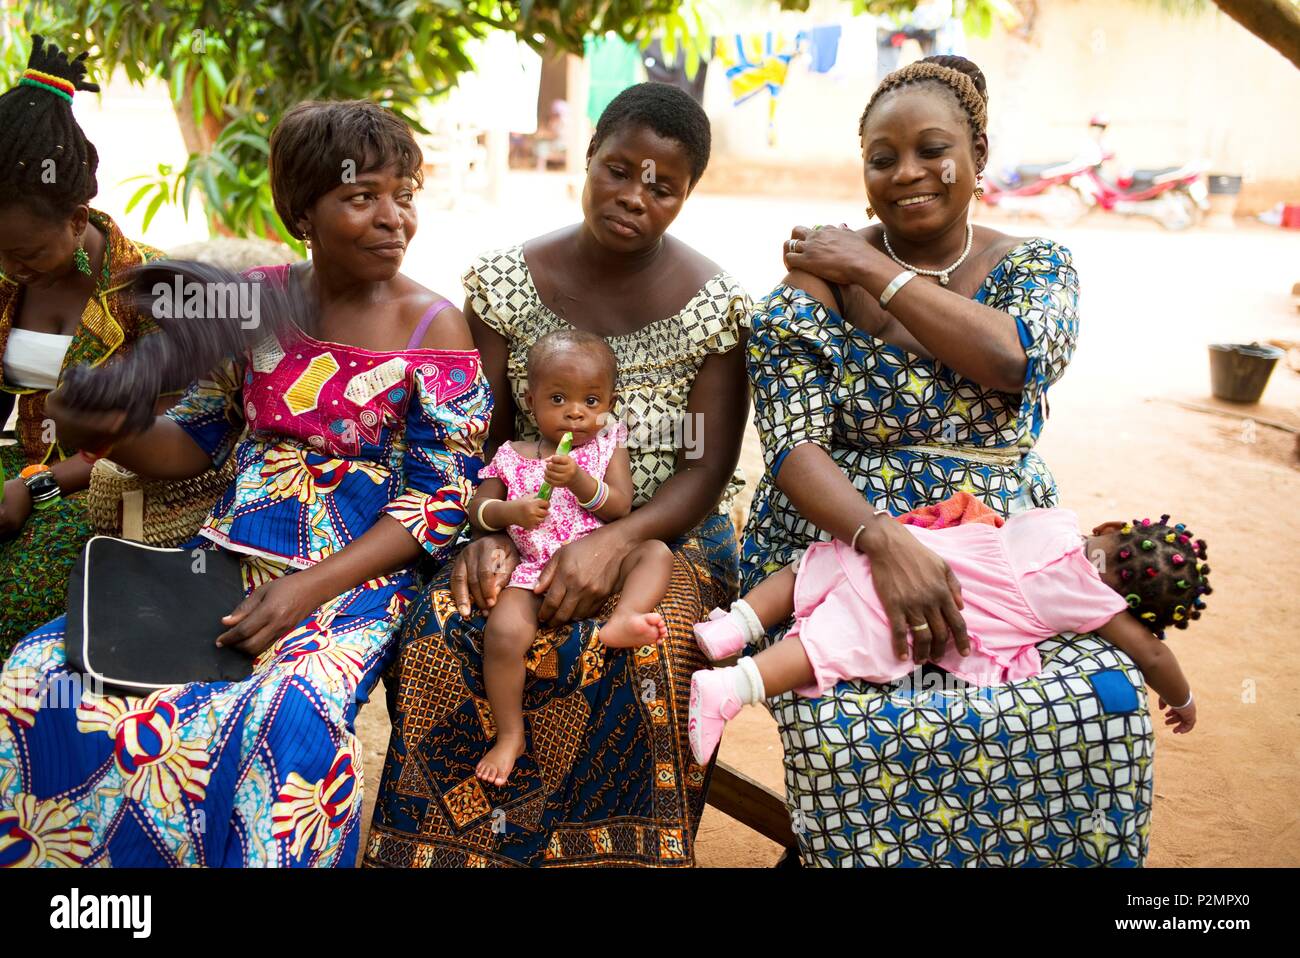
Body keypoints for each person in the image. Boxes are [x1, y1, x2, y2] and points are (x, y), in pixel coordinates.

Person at [0, 99, 490, 867]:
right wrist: (113, 427)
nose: (395, 218)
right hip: (217, 562)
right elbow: (196, 437)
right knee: (40, 679)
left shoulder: (435, 329)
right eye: (364, 197)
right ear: (303, 212)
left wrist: (305, 591)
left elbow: (440, 499)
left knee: (283, 720)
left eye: (407, 193)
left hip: (354, 579)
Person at [367, 82, 751, 868]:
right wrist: (485, 529)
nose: (634, 195)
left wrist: (622, 538)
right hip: (525, 511)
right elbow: (486, 436)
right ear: (588, 157)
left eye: (662, 185)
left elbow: (705, 466)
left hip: (665, 528)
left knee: (651, 649)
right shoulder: (508, 284)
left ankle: (612, 855)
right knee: (443, 629)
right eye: (618, 168)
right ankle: (450, 849)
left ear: (686, 196)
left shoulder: (713, 305)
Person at [740, 55, 1102, 865]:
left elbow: (1014, 360)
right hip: (834, 549)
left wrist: (878, 269)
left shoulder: (1036, 266)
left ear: (978, 152)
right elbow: (794, 447)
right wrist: (885, 542)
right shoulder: (811, 290)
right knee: (856, 731)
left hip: (1006, 560)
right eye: (881, 157)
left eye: (932, 150)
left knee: (1089, 708)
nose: (907, 174)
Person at [690, 508, 1209, 762]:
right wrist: (1181, 699)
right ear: (1133, 606)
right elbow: (1153, 656)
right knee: (829, 648)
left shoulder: (1057, 521)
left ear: (1114, 527)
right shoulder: (1099, 601)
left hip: (904, 548)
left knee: (810, 569)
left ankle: (734, 626)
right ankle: (732, 688)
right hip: (921, 604)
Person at [0, 36, 166, 654]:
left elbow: (175, 436)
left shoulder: (150, 291)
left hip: (104, 490)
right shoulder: (6, 283)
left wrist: (34, 488)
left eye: (23, 253)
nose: (10, 269)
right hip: (17, 470)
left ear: (76, 219)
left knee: (20, 589)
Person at [468, 328, 673, 785]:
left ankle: (628, 615)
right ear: (530, 399)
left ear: (609, 404)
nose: (576, 413)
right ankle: (509, 734)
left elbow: (620, 505)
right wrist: (512, 511)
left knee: (655, 553)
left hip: (603, 559)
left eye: (592, 402)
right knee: (502, 634)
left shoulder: (607, 445)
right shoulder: (513, 456)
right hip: (535, 571)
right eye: (558, 399)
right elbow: (477, 512)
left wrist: (581, 481)